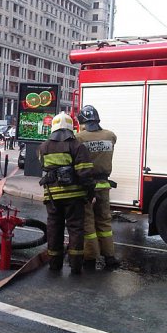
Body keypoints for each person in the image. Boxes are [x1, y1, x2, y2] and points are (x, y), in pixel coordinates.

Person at [38, 112, 95, 274]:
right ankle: (76, 266)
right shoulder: (77, 146)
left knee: (54, 228)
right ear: (72, 128)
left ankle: (54, 264)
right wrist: (90, 195)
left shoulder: (44, 147)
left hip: (52, 197)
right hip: (74, 198)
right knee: (76, 229)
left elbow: (44, 167)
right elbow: (85, 174)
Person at [76, 105, 120, 270]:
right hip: (104, 186)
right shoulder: (110, 136)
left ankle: (90, 258)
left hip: (87, 187)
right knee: (104, 222)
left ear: (83, 122)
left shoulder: (79, 138)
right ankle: (109, 257)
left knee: (88, 223)